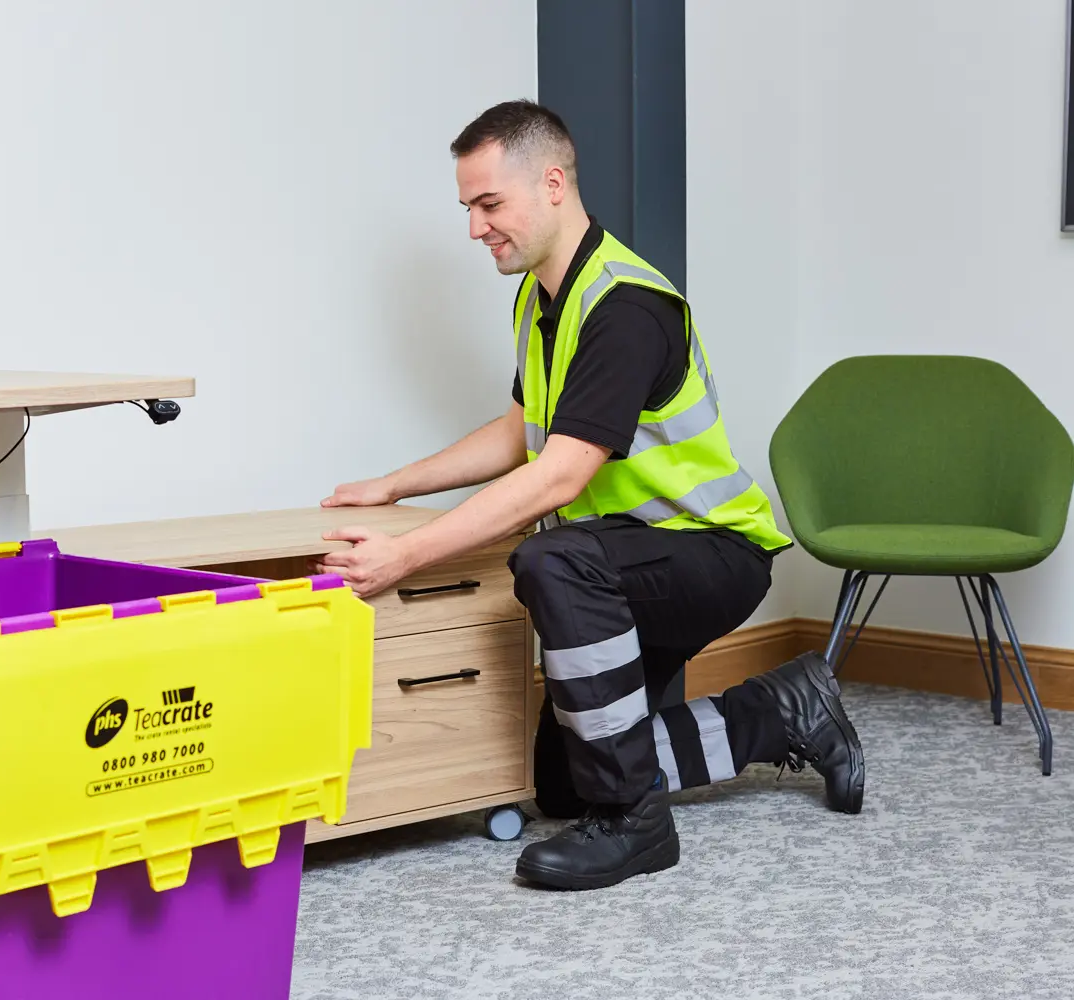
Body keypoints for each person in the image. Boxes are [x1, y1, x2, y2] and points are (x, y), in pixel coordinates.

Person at [317, 100, 865, 891]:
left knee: (552, 561)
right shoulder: (541, 297)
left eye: (488, 204)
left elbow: (562, 473)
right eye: (467, 207)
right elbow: (521, 433)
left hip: (709, 551)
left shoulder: (625, 304)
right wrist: (396, 484)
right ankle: (786, 709)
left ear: (551, 184)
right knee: (563, 782)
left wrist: (406, 553)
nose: (475, 227)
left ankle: (634, 824)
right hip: (625, 559)